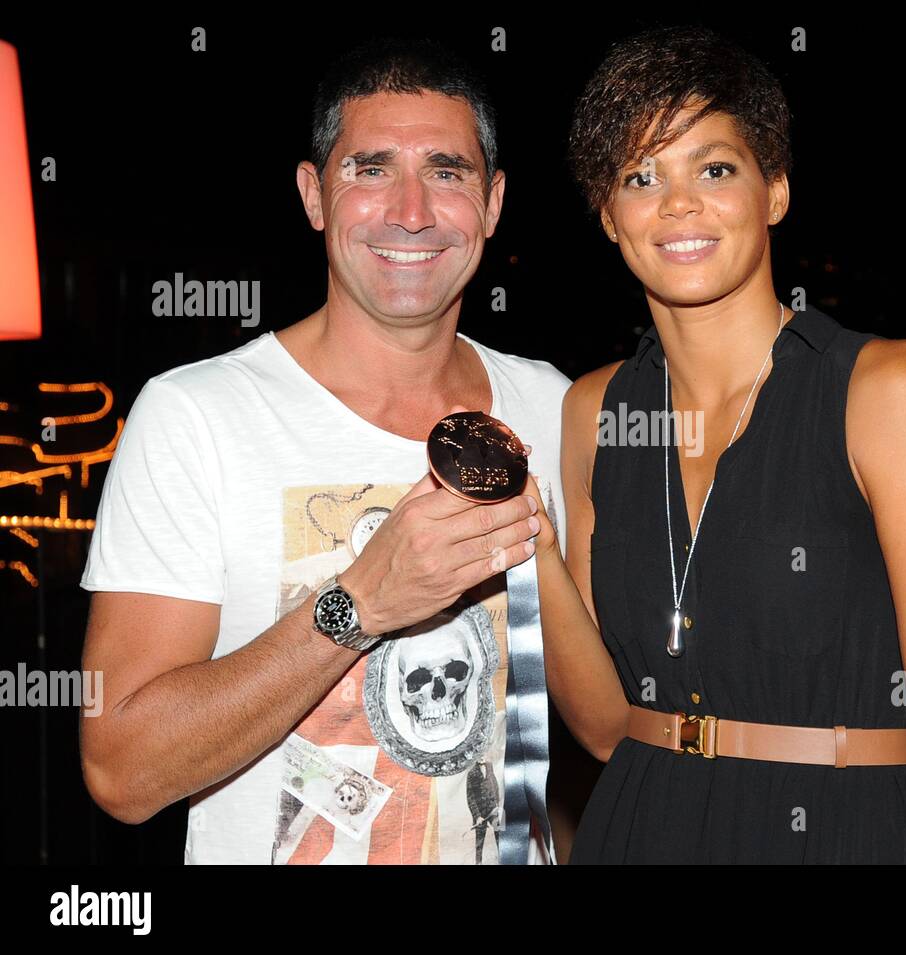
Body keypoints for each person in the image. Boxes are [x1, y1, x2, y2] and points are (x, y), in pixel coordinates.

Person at [525, 25, 906, 863]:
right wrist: (529, 541)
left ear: (775, 191)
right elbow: (606, 725)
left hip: (840, 831)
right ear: (609, 216)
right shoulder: (593, 410)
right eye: (641, 177)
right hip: (639, 826)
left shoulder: (887, 392)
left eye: (714, 168)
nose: (678, 204)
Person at [78, 36, 569, 864]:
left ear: (492, 203)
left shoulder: (552, 406)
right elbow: (121, 769)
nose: (410, 210)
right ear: (313, 195)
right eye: (370, 169)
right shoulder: (196, 416)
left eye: (447, 171)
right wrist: (358, 606)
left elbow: (584, 733)